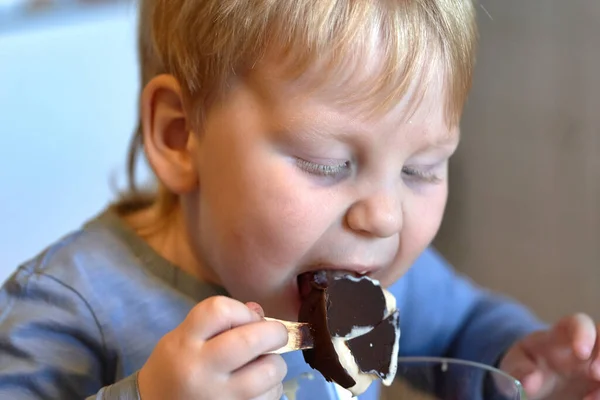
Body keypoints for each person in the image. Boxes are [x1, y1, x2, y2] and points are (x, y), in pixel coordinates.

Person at [1, 0, 599, 399]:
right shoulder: (73, 305)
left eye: (422, 169)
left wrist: (520, 358)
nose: (384, 216)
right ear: (181, 136)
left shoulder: (376, 273)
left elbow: (463, 324)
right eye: (327, 164)